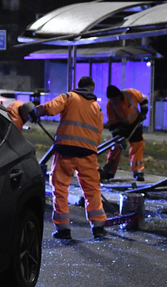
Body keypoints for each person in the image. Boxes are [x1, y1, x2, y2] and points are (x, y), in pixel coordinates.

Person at [28, 76, 106, 240]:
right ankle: (98, 226)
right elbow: (98, 133)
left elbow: (50, 108)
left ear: (79, 86)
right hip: (88, 154)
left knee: (60, 188)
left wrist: (35, 112)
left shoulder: (69, 97)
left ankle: (63, 229)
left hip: (66, 150)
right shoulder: (97, 107)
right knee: (92, 189)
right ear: (92, 88)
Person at [101, 86, 148, 181]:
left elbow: (143, 100)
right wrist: (118, 136)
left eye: (115, 99)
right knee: (115, 147)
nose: (113, 101)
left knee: (137, 146)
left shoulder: (130, 93)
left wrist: (143, 112)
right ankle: (110, 172)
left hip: (135, 124)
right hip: (122, 127)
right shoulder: (110, 105)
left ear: (119, 95)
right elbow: (112, 123)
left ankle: (138, 172)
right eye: (111, 99)